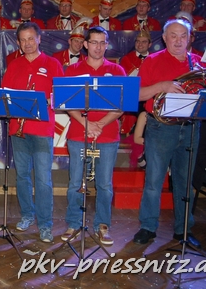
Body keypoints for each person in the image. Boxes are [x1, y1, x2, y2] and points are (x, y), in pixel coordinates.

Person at [133, 18, 206, 248]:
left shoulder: (198, 64)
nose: (178, 40)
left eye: (183, 36)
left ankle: (183, 228)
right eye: (173, 35)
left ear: (189, 39)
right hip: (160, 128)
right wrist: (162, 86)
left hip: (190, 128)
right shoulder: (152, 61)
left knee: (185, 182)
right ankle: (148, 227)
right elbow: (138, 94)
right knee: (154, 180)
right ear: (164, 38)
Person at [62, 26, 126, 246]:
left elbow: (121, 106)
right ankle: (73, 223)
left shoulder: (117, 70)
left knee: (104, 184)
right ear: (85, 45)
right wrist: (87, 123)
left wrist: (99, 124)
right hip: (78, 133)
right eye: (94, 42)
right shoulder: (72, 70)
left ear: (107, 45)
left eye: (102, 43)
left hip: (107, 135)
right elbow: (67, 104)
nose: (98, 47)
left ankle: (102, 225)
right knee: (75, 182)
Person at [1, 22, 64, 243]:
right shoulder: (13, 65)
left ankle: (45, 224)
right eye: (23, 40)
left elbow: (61, 98)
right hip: (18, 129)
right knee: (22, 176)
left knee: (43, 179)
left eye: (31, 38)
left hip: (42, 129)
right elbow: (4, 97)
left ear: (39, 39)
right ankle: (27, 215)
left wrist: (48, 100)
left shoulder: (53, 64)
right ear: (18, 43)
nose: (27, 43)